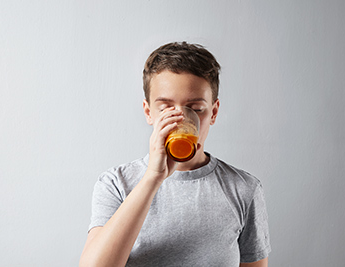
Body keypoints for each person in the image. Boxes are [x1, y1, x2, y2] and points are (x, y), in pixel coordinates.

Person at [79, 42, 271, 267]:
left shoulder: (244, 189)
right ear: (149, 112)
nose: (180, 120)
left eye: (196, 109)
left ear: (213, 112)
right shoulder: (115, 184)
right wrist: (152, 177)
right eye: (166, 109)